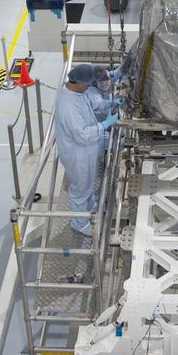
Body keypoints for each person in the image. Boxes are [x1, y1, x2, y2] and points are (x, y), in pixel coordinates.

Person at [55, 62, 117, 236]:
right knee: (80, 189)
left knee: (88, 182)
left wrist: (111, 103)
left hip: (86, 150)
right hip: (77, 154)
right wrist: (105, 124)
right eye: (89, 85)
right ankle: (79, 223)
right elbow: (82, 135)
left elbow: (92, 103)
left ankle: (90, 209)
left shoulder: (76, 92)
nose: (90, 88)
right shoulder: (68, 106)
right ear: (80, 83)